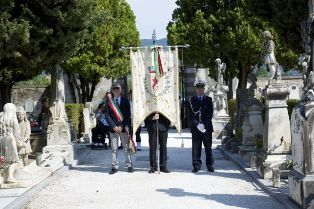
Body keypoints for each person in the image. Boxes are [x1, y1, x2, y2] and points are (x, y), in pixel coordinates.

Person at [105, 83, 133, 174]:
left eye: (117, 88)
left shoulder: (125, 101)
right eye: (114, 88)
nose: (116, 89)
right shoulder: (109, 102)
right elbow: (107, 115)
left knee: (126, 148)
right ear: (112, 90)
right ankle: (114, 166)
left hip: (123, 128)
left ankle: (129, 165)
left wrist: (121, 126)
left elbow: (128, 115)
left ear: (121, 90)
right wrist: (114, 127)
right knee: (114, 148)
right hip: (113, 129)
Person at [189, 80, 214, 173]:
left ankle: (209, 164)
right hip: (196, 128)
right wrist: (197, 124)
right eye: (198, 88)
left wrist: (203, 124)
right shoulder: (192, 100)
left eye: (201, 88)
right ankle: (196, 165)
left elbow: (210, 113)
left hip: (206, 127)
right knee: (196, 147)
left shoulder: (208, 100)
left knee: (208, 147)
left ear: (204, 89)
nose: (200, 90)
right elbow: (190, 115)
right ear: (196, 89)